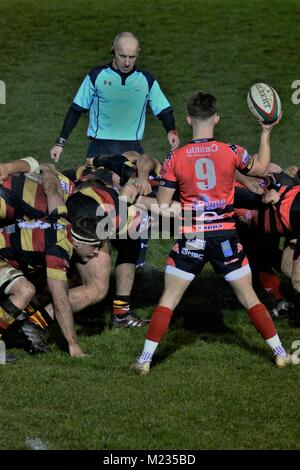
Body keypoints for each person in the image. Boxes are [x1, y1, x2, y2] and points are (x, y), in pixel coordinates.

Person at [133, 91, 291, 375]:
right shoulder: (230, 151)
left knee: (168, 300)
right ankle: (279, 352)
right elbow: (263, 168)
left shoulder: (175, 158)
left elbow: (164, 205)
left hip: (192, 236)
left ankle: (144, 359)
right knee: (249, 298)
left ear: (188, 119)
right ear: (216, 119)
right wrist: (266, 132)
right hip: (225, 237)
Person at [50, 31, 180, 192]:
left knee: (135, 194)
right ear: (113, 50)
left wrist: (171, 131)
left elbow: (164, 111)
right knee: (99, 194)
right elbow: (76, 109)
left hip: (133, 147)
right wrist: (60, 142)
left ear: (138, 53)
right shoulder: (97, 76)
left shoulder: (146, 80)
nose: (126, 62)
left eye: (132, 57)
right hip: (100, 148)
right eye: (122, 56)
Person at [0, 165, 103, 357]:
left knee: (40, 282)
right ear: (79, 243)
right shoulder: (59, 250)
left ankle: (15, 328)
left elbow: (53, 189)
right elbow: (61, 302)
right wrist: (73, 346)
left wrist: (48, 170)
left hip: (5, 253)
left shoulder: (63, 219)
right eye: (94, 247)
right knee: (25, 290)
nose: (96, 253)